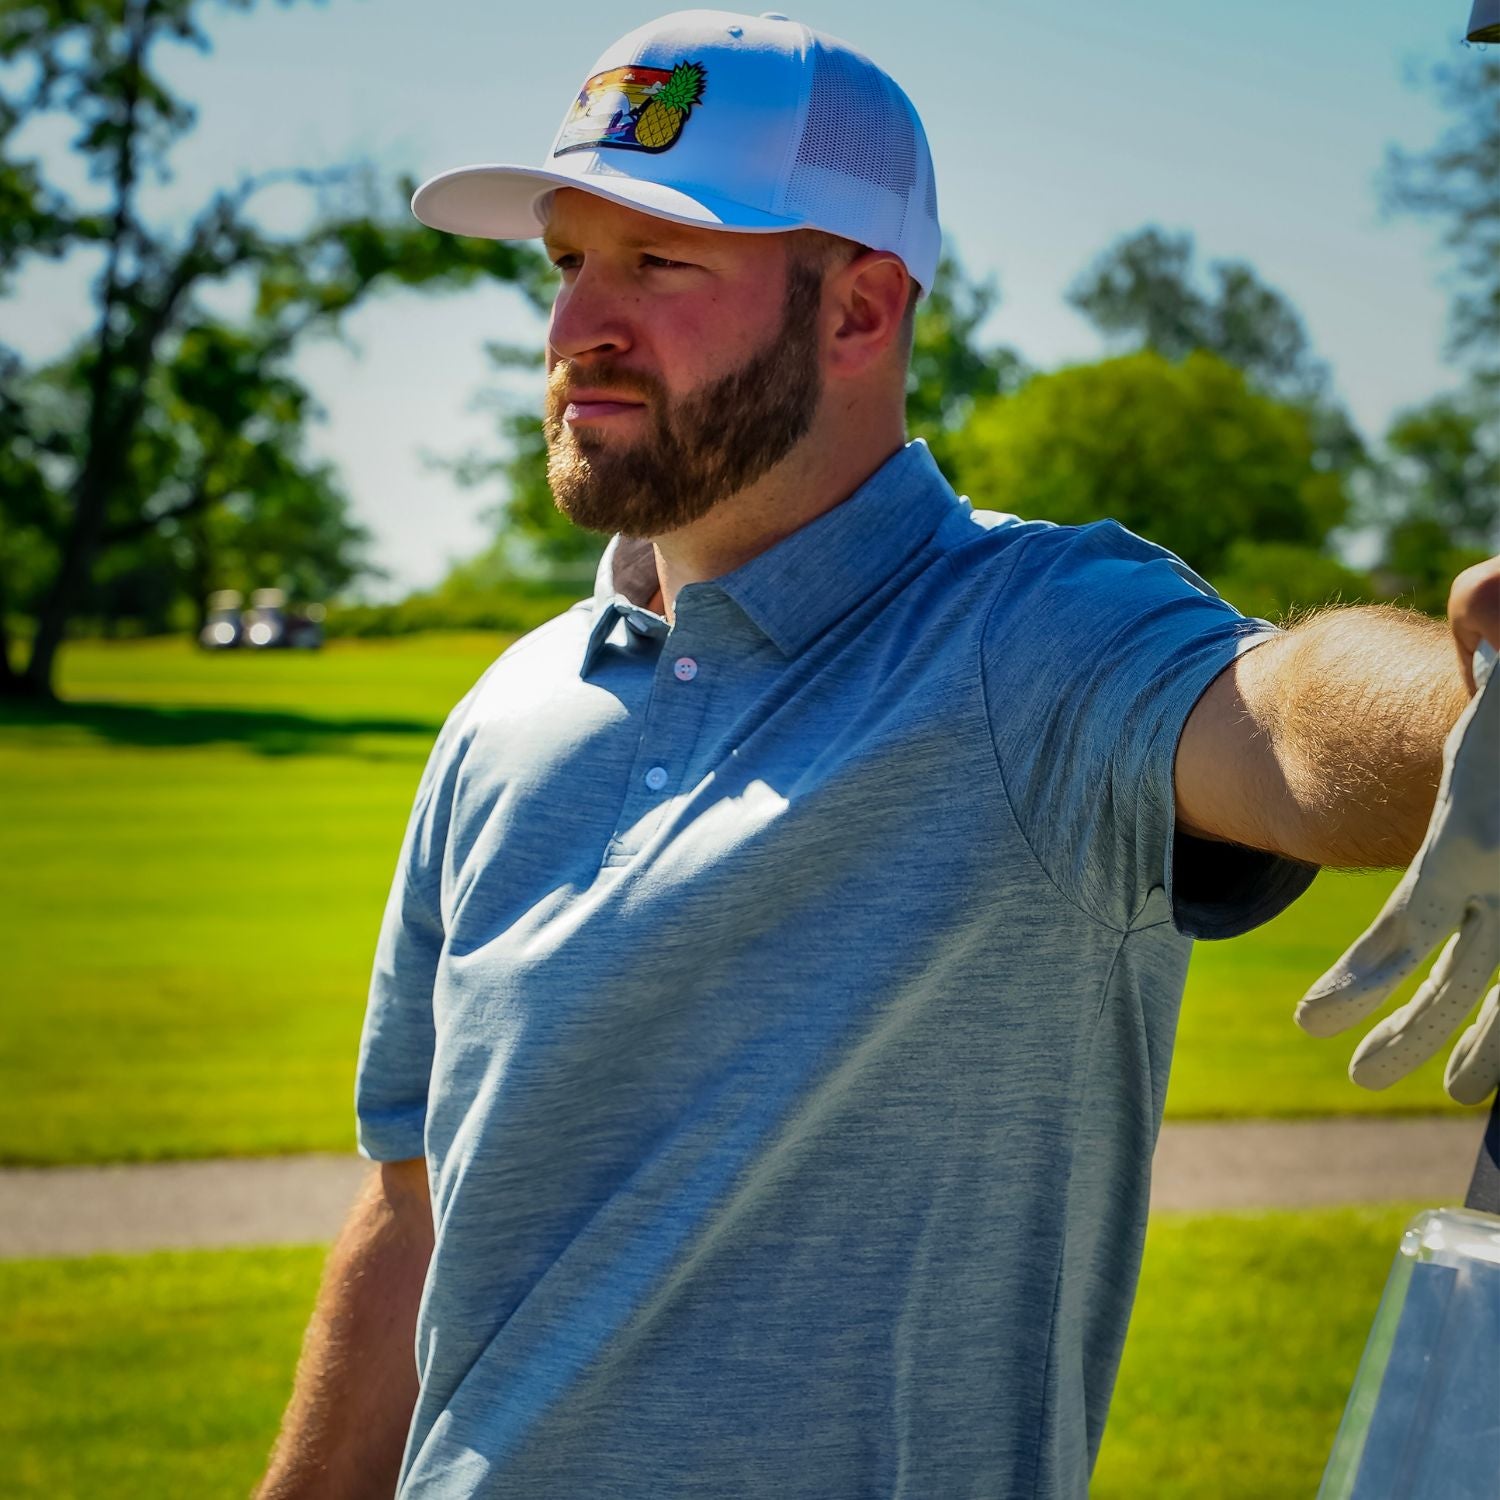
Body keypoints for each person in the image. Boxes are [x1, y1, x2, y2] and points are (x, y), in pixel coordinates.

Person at [255, 11, 1500, 1498]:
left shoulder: (1028, 636)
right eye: (567, 260)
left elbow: (1280, 707)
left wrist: (1463, 715)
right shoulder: (505, 716)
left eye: (658, 262)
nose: (579, 321)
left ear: (857, 311)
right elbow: (413, 1211)